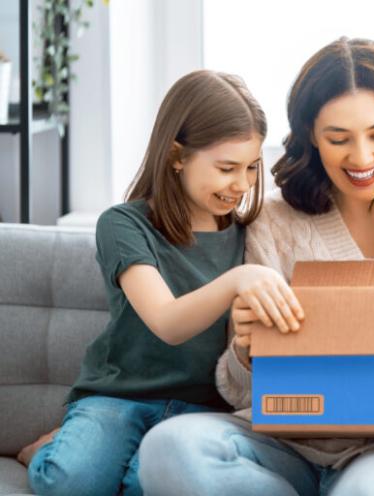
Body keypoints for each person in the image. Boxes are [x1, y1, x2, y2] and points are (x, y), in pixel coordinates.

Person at [137, 37, 374, 496]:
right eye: (338, 139)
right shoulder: (274, 222)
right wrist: (244, 350)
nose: (361, 158)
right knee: (168, 448)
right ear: (311, 137)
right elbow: (238, 392)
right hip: (285, 448)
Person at [18, 70, 303, 496]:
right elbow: (168, 322)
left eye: (250, 168)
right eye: (227, 168)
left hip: (203, 412)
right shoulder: (124, 224)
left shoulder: (252, 232)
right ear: (176, 156)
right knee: (69, 482)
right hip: (118, 397)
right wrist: (239, 279)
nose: (242, 185)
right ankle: (41, 450)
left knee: (149, 486)